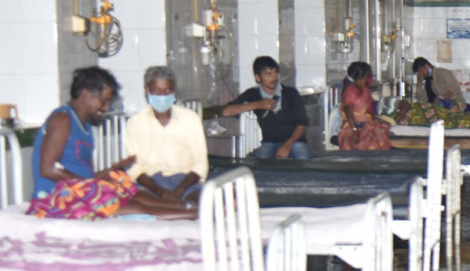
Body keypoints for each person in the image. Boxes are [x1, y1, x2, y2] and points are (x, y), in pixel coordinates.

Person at [30, 66, 195, 219]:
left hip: (80, 190)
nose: (107, 107)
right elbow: (49, 169)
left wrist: (111, 170)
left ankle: (191, 208)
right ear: (86, 94)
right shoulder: (62, 119)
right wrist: (96, 184)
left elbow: (82, 176)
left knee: (139, 194)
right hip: (57, 197)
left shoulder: (85, 127)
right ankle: (197, 214)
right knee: (135, 205)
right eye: (104, 100)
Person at [125, 66, 207, 204]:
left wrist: (179, 191)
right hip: (150, 184)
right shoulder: (135, 122)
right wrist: (160, 192)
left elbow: (200, 165)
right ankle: (179, 208)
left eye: (167, 90)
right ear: (147, 91)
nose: (162, 96)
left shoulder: (191, 119)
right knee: (136, 200)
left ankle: (177, 207)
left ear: (174, 91)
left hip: (186, 182)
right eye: (156, 90)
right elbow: (134, 168)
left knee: (204, 200)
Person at [221, 56, 311, 159]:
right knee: (261, 161)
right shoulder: (252, 94)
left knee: (302, 156)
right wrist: (258, 104)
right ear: (257, 78)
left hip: (295, 142)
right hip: (270, 143)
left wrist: (287, 145)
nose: (274, 78)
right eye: (268, 74)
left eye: (276, 73)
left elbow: (302, 124)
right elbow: (226, 112)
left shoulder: (291, 93)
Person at [337, 61, 392, 151]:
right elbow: (348, 111)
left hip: (366, 123)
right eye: (368, 73)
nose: (370, 75)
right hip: (353, 126)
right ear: (363, 74)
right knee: (355, 141)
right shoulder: (352, 90)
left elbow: (369, 111)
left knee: (380, 133)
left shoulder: (365, 90)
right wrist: (355, 130)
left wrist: (380, 120)